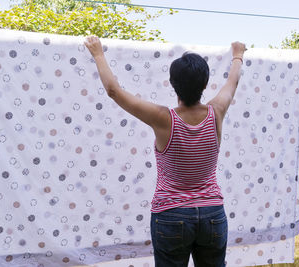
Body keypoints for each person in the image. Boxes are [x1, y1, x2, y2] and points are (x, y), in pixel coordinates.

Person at [85, 36, 246, 267]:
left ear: (172, 84)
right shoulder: (216, 111)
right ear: (204, 84)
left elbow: (114, 91)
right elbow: (232, 83)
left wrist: (98, 54)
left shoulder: (163, 119)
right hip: (212, 214)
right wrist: (238, 54)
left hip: (171, 215)